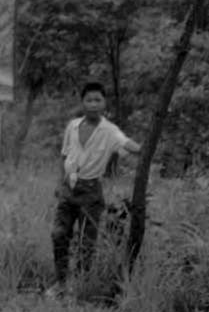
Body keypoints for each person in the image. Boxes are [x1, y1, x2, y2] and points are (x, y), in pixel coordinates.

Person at [47, 81, 140, 296]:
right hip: (69, 188)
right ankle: (60, 282)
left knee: (86, 242)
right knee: (59, 234)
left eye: (98, 100)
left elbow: (126, 144)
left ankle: (79, 287)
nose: (93, 104)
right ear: (82, 102)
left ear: (104, 102)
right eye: (89, 100)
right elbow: (64, 155)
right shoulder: (73, 126)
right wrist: (59, 183)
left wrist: (144, 148)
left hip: (91, 192)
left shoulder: (109, 131)